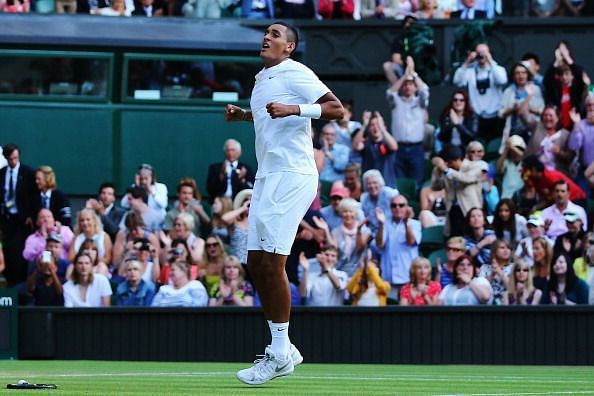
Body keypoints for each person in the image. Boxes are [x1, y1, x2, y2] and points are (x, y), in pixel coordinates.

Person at [224, 22, 344, 385]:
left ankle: (278, 353)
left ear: (289, 47)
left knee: (273, 262)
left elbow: (336, 109)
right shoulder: (262, 78)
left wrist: (295, 109)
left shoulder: (297, 72)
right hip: (267, 175)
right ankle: (285, 347)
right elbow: (268, 118)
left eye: (276, 34)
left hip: (292, 175)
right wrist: (245, 116)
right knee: (256, 262)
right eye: (266, 33)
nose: (267, 37)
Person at [386, 56, 429, 187]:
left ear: (415, 87)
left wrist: (413, 73)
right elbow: (390, 92)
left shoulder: (420, 102)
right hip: (399, 148)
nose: (407, 87)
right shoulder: (396, 102)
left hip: (416, 148)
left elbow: (425, 90)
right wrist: (405, 76)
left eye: (410, 84)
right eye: (405, 84)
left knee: (417, 183)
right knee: (399, 182)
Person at [453, 43, 507, 142]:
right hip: (477, 116)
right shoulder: (470, 71)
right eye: (479, 53)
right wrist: (467, 62)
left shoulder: (497, 69)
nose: (481, 55)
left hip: (495, 116)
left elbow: (502, 80)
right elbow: (457, 81)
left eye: (484, 52)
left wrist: (490, 60)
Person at [0, 143, 37, 286]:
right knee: (7, 251)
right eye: (11, 159)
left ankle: (19, 283)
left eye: (16, 158)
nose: (14, 162)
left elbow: (34, 197)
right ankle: (10, 281)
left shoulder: (28, 173)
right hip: (5, 218)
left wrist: (31, 216)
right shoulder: (2, 174)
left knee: (19, 253)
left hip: (22, 220)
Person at [375, 194, 421, 302]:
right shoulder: (385, 223)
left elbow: (411, 241)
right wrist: (381, 225)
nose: (397, 208)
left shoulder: (415, 224)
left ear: (407, 207)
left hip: (408, 279)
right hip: (388, 278)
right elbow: (379, 244)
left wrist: (406, 223)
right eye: (394, 205)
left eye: (401, 205)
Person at [432, 144, 483, 237]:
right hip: (453, 210)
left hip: (470, 210)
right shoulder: (446, 171)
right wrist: (438, 171)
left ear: (454, 160)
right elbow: (436, 187)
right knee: (455, 240)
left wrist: (446, 169)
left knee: (471, 238)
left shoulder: (474, 166)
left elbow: (466, 178)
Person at [499, 62, 544, 144]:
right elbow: (500, 114)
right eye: (517, 73)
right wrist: (513, 109)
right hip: (513, 131)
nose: (521, 76)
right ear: (513, 76)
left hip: (531, 131)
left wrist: (528, 108)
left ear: (528, 74)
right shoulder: (508, 91)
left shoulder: (535, 89)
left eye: (523, 73)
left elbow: (542, 111)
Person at [522, 105, 573, 177]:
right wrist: (529, 96)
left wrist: (559, 152)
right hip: (534, 173)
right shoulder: (537, 127)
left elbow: (570, 157)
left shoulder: (566, 135)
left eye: (551, 115)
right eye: (545, 115)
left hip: (556, 176)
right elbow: (522, 113)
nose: (548, 118)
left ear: (557, 118)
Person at [352, 111, 398, 185]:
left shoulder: (387, 142)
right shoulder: (366, 142)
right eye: (372, 125)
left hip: (387, 185)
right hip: (369, 186)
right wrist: (364, 126)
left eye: (378, 124)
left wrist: (382, 129)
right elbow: (355, 146)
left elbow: (394, 147)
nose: (375, 127)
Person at [568, 94, 594, 195]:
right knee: (582, 198)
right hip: (583, 170)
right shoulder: (581, 124)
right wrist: (576, 126)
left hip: (590, 171)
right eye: (589, 105)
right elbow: (573, 146)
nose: (592, 108)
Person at [360, 169, 399, 234]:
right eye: (369, 183)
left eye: (375, 183)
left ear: (380, 183)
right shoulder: (364, 198)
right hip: (372, 231)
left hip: (392, 229)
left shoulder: (390, 194)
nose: (372, 186)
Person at [221, 189, 251, 266]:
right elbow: (224, 218)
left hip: (251, 265)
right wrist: (243, 208)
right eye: (246, 200)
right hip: (235, 264)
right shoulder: (235, 222)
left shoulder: (256, 225)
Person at [480, 238, 514, 305]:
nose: (506, 250)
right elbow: (480, 289)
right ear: (495, 251)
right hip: (487, 305)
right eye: (502, 248)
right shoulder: (484, 268)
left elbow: (512, 288)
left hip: (508, 305)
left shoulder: (514, 267)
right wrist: (492, 274)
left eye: (508, 248)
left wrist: (499, 272)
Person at [497, 134, 526, 200]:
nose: (514, 153)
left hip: (522, 197)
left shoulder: (525, 162)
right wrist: (506, 149)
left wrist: (512, 147)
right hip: (507, 198)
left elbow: (524, 157)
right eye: (511, 151)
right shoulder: (507, 162)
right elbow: (498, 169)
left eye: (518, 148)